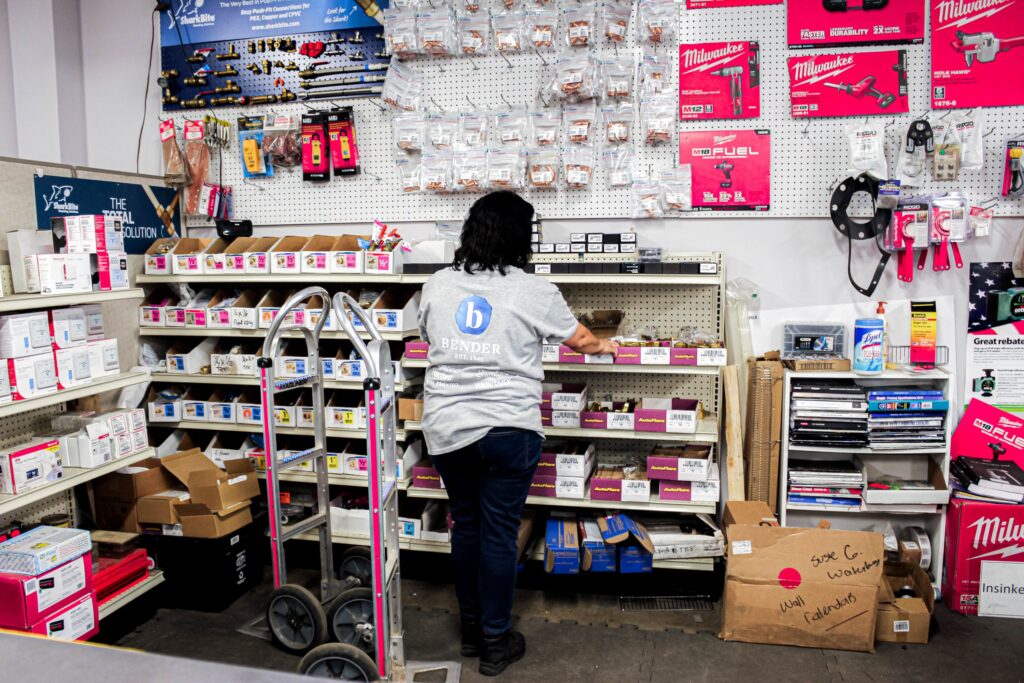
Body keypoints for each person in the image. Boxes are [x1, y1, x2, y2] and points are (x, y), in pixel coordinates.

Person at [417, 191, 618, 676]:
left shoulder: (437, 285)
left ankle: (469, 632)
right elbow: (583, 340)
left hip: (448, 428)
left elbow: (429, 338)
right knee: (500, 535)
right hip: (509, 428)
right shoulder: (534, 290)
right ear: (521, 237)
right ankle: (495, 641)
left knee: (466, 527)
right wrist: (607, 346)